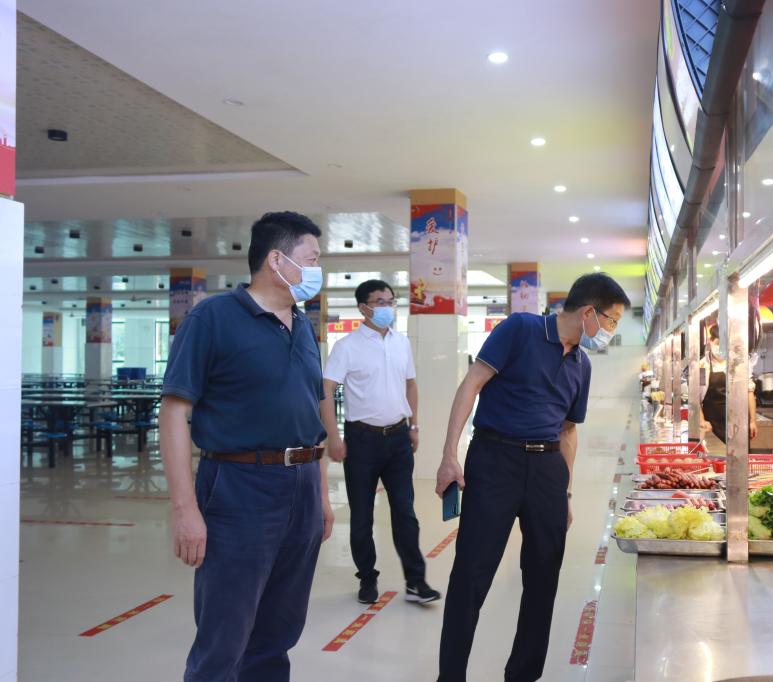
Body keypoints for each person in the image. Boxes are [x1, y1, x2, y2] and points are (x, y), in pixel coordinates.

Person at [160, 211, 333, 681]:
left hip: (302, 488)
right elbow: (173, 413)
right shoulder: (213, 318)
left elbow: (311, 417)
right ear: (276, 260)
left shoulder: (302, 325)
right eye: (312, 259)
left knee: (278, 633)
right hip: (239, 487)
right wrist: (185, 510)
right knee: (225, 636)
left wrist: (321, 495)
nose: (317, 270)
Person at [434, 272, 630, 682]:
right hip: (495, 460)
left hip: (547, 470)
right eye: (611, 320)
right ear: (588, 312)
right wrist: (450, 455)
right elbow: (471, 384)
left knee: (543, 578)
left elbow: (569, 431)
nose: (611, 330)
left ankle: (523, 674)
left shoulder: (582, 364)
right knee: (472, 573)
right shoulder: (520, 329)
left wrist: (566, 493)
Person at [319, 279, 440, 605]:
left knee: (405, 512)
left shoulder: (401, 343)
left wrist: (414, 425)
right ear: (364, 308)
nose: (388, 307)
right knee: (362, 517)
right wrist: (333, 437)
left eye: (391, 301)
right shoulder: (347, 347)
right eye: (380, 302)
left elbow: (411, 385)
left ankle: (416, 581)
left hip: (398, 439)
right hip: (362, 442)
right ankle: (367, 578)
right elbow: (326, 390)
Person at [698, 324, 758, 443]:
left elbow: (749, 392)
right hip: (713, 426)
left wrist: (752, 421)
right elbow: (696, 398)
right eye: (718, 344)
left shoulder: (739, 363)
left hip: (738, 424)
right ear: (710, 341)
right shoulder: (702, 367)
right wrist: (702, 420)